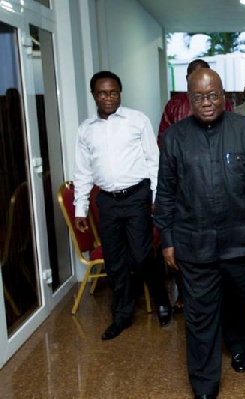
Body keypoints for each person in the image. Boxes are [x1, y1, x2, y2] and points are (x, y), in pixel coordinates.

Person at [153, 68, 245, 399]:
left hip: (241, 240)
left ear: (225, 96)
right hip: (194, 243)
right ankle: (204, 382)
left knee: (240, 302)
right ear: (188, 98)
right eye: (198, 97)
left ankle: (239, 346)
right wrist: (166, 238)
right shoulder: (175, 138)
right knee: (199, 314)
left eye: (212, 95)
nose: (206, 103)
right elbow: (165, 193)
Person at [73, 70, 172, 341]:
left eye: (113, 92)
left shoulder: (136, 120)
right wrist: (80, 208)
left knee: (141, 256)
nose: (109, 97)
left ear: (120, 92)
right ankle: (122, 315)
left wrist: (155, 197)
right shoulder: (86, 130)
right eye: (103, 93)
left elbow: (154, 161)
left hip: (137, 197)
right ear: (94, 95)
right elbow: (82, 172)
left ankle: (162, 300)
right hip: (107, 201)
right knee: (115, 261)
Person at [157, 58, 211, 314]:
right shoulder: (174, 106)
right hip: (183, 187)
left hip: (206, 188)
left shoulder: (220, 102)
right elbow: (164, 142)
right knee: (183, 243)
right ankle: (185, 295)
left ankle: (198, 298)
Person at [157, 59, 233, 147]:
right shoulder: (174, 105)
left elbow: (232, 131)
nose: (200, 80)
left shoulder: (223, 103)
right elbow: (163, 140)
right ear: (187, 78)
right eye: (194, 75)